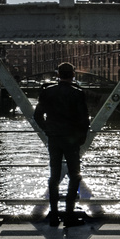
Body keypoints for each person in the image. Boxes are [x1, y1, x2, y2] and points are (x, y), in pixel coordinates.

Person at [34, 61, 90, 226]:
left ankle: (53, 216)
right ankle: (69, 215)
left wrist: (48, 130)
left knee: (54, 176)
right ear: (73, 75)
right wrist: (82, 138)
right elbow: (84, 120)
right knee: (74, 175)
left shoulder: (47, 92)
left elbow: (37, 116)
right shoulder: (78, 94)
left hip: (55, 139)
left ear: (58, 75)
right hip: (71, 140)